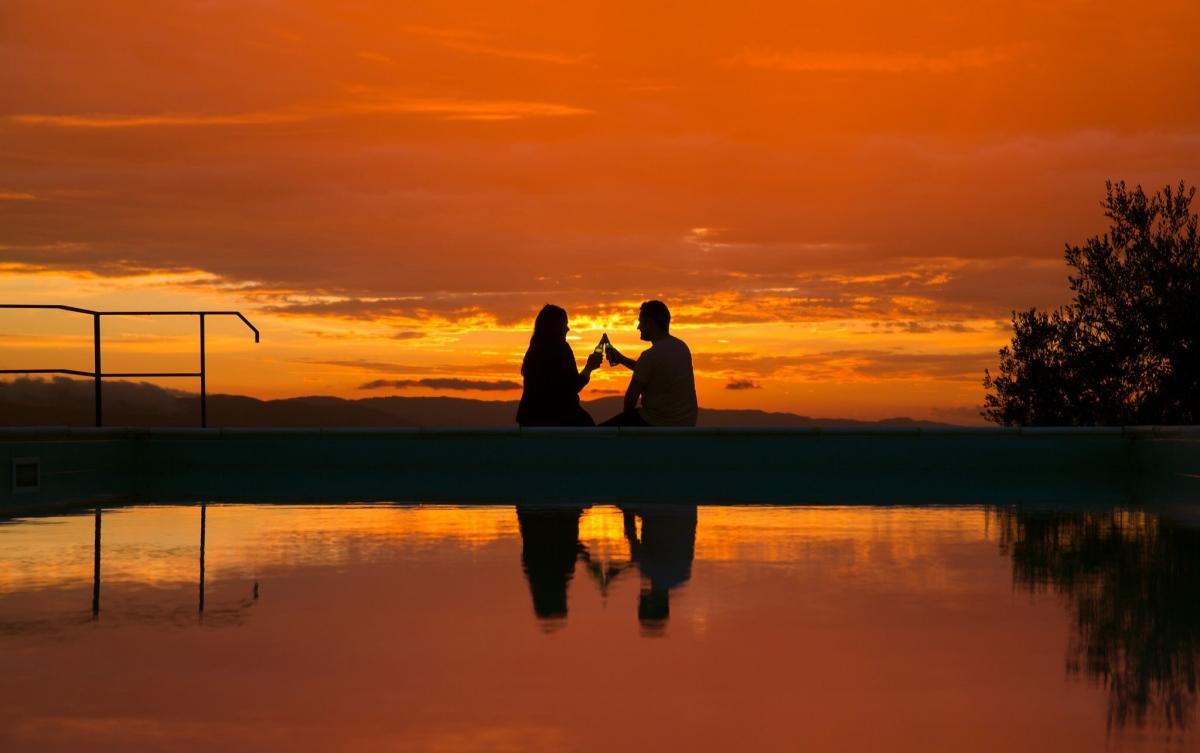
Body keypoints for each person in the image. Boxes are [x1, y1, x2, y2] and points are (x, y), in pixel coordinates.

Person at [601, 300, 698, 427]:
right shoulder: (681, 347)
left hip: (658, 422)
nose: (638, 327)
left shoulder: (649, 356)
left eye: (640, 322)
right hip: (686, 423)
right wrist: (622, 359)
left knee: (597, 434)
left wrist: (626, 425)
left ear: (650, 323)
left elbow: (630, 399)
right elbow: (654, 371)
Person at [516, 304, 603, 426]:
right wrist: (589, 367)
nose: (568, 329)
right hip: (559, 420)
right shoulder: (561, 348)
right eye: (565, 324)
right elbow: (572, 387)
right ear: (557, 327)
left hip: (530, 420)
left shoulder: (533, 351)